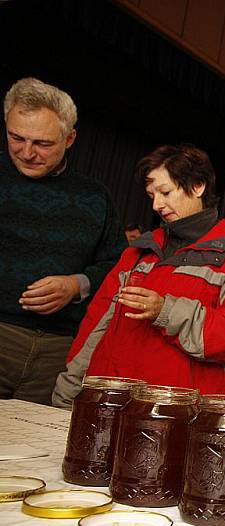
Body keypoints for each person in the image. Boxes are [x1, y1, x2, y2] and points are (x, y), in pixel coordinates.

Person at [52, 144, 225, 406]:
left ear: (198, 186)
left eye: (165, 192)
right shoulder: (140, 251)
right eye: (151, 194)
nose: (156, 205)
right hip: (109, 404)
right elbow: (96, 323)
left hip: (173, 415)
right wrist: (70, 388)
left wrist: (166, 311)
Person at [0, 77, 126, 406]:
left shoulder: (96, 197)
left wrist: (76, 285)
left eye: (42, 143)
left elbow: (118, 266)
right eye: (16, 138)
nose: (26, 153)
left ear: (69, 138)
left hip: (58, 352)